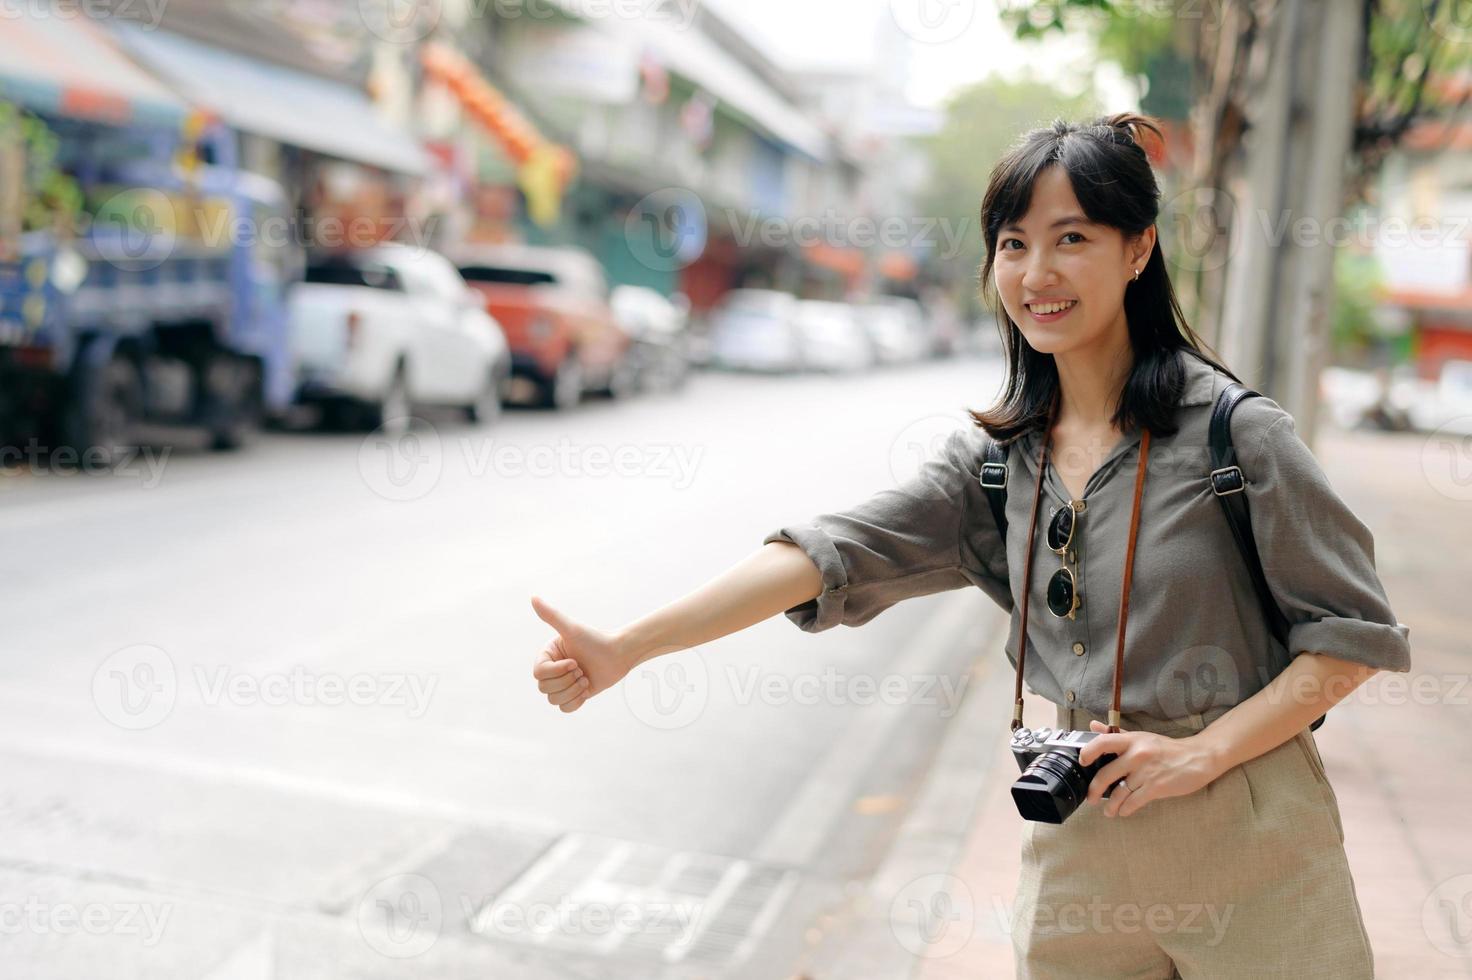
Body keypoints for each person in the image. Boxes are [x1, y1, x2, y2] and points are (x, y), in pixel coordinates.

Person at [529, 113, 1411, 978]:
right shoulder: (996, 463)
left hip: (1252, 839)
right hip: (1081, 841)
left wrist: (1200, 754)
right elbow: (829, 551)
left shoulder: (1238, 436)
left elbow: (1351, 636)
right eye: (1014, 244)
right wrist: (631, 646)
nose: (1037, 272)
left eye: (1072, 238)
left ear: (1138, 249)